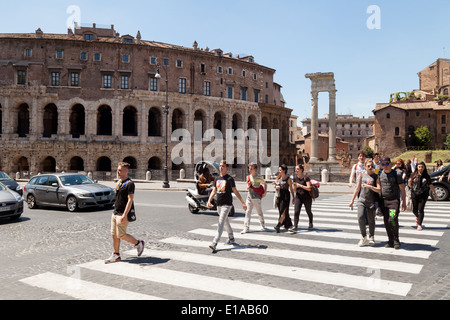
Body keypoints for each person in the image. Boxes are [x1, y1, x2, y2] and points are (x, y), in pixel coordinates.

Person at [105, 162, 144, 264]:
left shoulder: (130, 184)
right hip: (115, 212)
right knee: (114, 235)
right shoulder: (119, 182)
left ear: (126, 171)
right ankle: (116, 254)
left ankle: (138, 243)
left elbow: (130, 200)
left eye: (120, 170)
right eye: (117, 169)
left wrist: (125, 215)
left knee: (121, 235)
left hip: (122, 213)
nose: (118, 171)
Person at [207, 160, 247, 252]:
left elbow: (235, 191)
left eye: (223, 166)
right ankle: (231, 238)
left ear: (227, 168)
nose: (221, 167)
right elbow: (214, 190)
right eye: (220, 166)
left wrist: (243, 202)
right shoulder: (217, 179)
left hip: (227, 204)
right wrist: (209, 200)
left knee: (220, 223)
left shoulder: (229, 179)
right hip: (219, 204)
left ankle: (214, 242)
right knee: (225, 222)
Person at [349, 159, 381, 246]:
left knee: (371, 220)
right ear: (365, 166)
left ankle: (371, 236)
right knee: (360, 217)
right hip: (362, 200)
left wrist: (369, 186)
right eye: (369, 166)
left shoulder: (376, 176)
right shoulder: (361, 175)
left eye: (372, 166)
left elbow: (379, 189)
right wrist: (352, 200)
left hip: (371, 201)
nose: (370, 168)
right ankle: (363, 237)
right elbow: (357, 188)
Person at [379, 156, 407, 249]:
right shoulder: (379, 174)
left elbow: (402, 188)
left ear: (390, 164)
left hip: (393, 201)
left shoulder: (397, 174)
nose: (385, 166)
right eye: (383, 164)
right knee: (387, 222)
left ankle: (396, 239)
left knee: (392, 219)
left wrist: (404, 202)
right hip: (384, 201)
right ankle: (390, 240)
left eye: (387, 164)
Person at [408, 162, 438, 230]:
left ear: (424, 168)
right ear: (417, 167)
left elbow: (430, 185)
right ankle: (418, 217)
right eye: (419, 167)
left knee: (421, 209)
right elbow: (409, 185)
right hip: (414, 193)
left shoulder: (427, 176)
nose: (421, 168)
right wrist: (409, 182)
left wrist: (435, 193)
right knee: (414, 209)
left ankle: (419, 224)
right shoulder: (413, 175)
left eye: (422, 167)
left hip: (423, 194)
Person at [241, 163, 267, 234]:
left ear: (255, 169)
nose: (249, 170)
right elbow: (249, 185)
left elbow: (265, 184)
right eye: (249, 168)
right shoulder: (248, 177)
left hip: (257, 197)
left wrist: (265, 192)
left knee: (259, 212)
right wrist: (248, 187)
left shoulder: (259, 177)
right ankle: (246, 227)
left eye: (251, 168)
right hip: (249, 196)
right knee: (247, 212)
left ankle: (262, 224)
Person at [290, 164, 313, 233]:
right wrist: (293, 196)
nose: (296, 170)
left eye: (297, 169)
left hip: (307, 198)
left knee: (308, 211)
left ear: (301, 170)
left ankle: (311, 223)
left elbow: (309, 188)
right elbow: (294, 189)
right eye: (296, 169)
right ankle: (295, 226)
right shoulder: (295, 179)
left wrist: (300, 185)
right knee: (296, 212)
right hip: (298, 197)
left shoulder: (306, 178)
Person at [274, 164, 294, 233]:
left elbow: (291, 189)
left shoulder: (288, 179)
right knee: (281, 211)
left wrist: (293, 198)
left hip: (286, 196)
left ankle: (278, 225)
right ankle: (288, 224)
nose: (279, 171)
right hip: (280, 196)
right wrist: (276, 187)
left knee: (283, 210)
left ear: (284, 171)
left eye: (280, 170)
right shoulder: (279, 178)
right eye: (279, 170)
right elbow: (276, 185)